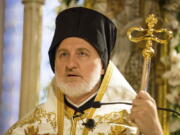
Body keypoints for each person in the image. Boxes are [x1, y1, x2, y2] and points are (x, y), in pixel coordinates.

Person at [5, 7, 163, 135]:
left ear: (103, 67)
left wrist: (155, 132)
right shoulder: (28, 128)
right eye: (63, 54)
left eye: (82, 53)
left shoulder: (132, 124)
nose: (70, 64)